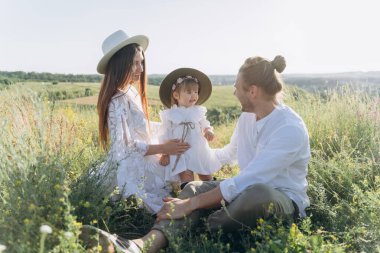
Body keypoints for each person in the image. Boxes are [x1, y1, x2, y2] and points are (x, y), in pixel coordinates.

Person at [86, 55, 311, 253]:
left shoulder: (288, 128)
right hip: (245, 188)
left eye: (236, 87)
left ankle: (197, 227)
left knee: (258, 194)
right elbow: (228, 154)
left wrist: (192, 205)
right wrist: (199, 156)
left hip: (280, 198)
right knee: (192, 187)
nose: (233, 91)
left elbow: (252, 179)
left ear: (252, 91)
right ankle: (143, 245)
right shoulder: (248, 118)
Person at [95, 30, 190, 214]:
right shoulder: (116, 101)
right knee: (170, 168)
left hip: (145, 152)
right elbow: (124, 146)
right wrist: (163, 148)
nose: (141, 69)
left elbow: (142, 126)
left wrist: (172, 125)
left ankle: (194, 191)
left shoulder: (130, 91)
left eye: (142, 63)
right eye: (135, 64)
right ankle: (191, 199)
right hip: (131, 163)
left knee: (180, 150)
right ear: (121, 65)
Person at [157, 68, 221, 187]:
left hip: (198, 149)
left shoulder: (198, 111)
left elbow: (205, 124)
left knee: (206, 175)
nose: (194, 95)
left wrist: (208, 131)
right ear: (176, 95)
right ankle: (190, 195)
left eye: (196, 92)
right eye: (189, 92)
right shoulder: (170, 114)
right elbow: (165, 133)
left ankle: (213, 195)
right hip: (180, 151)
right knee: (186, 177)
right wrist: (165, 153)